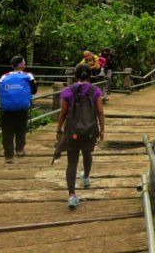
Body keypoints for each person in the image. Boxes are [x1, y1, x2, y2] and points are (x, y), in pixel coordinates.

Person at [56, 64, 105, 209]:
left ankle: (72, 195)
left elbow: (63, 113)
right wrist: (102, 130)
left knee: (72, 162)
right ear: (90, 75)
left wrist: (59, 129)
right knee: (87, 152)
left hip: (72, 132)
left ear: (75, 76)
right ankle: (86, 178)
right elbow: (100, 112)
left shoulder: (68, 91)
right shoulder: (95, 91)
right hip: (90, 130)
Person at [0, 55, 37, 163]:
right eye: (23, 62)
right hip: (22, 108)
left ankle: (8, 156)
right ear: (20, 64)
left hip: (7, 109)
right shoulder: (28, 76)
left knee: (7, 132)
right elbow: (34, 90)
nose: (25, 64)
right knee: (21, 129)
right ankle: (19, 150)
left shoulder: (4, 76)